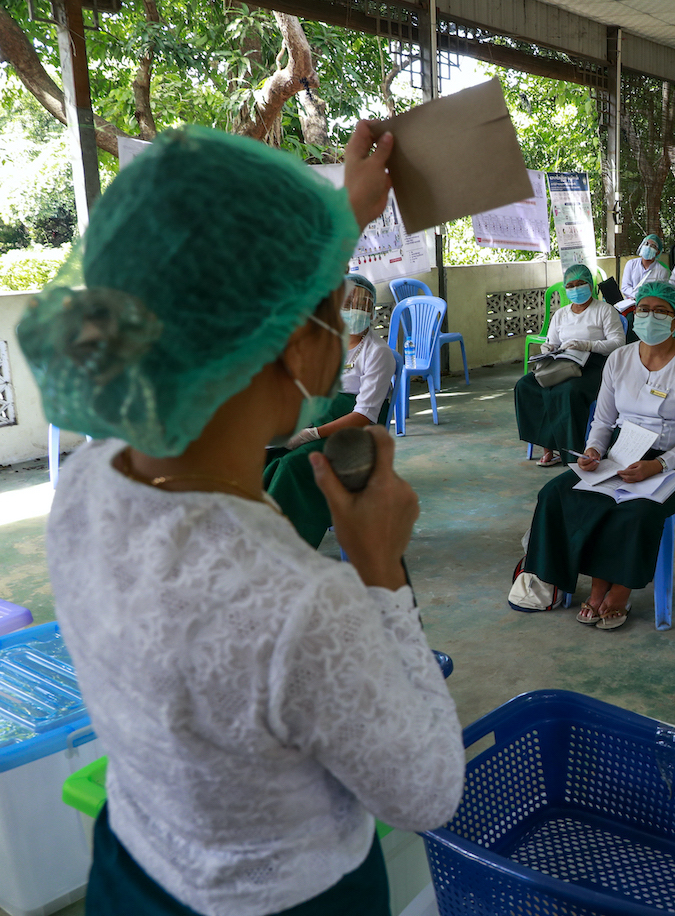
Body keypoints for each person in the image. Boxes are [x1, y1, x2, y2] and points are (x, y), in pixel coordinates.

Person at [16, 124, 462, 914]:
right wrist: (382, 570)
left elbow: (208, 289)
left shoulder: (89, 479)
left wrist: (344, 212)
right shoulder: (300, 602)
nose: (348, 309)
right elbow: (426, 794)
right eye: (336, 301)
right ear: (298, 345)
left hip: (134, 869)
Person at [517, 281, 675, 631]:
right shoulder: (619, 359)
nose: (649, 316)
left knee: (634, 510)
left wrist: (658, 464)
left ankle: (617, 590)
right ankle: (561, 579)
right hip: (621, 452)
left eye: (660, 311)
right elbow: (604, 420)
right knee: (556, 494)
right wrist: (594, 450)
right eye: (642, 309)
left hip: (674, 462)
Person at [263, 273, 398, 547]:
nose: (355, 311)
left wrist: (310, 434)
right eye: (347, 303)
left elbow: (364, 416)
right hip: (317, 419)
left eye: (363, 304)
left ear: (371, 311)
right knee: (266, 454)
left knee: (294, 465)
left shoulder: (377, 353)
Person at [514, 262, 626, 467]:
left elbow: (618, 343)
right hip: (561, 363)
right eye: (570, 285)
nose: (575, 289)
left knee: (568, 392)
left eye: (580, 284)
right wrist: (548, 350)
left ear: (590, 285)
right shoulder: (561, 314)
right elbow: (552, 341)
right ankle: (548, 447)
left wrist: (587, 345)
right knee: (526, 386)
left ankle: (571, 453)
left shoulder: (604, 310)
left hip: (594, 365)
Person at [620, 233, 668, 300]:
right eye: (646, 244)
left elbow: (660, 293)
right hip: (630, 303)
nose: (648, 247)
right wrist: (637, 295)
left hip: (650, 305)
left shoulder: (662, 271)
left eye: (653, 246)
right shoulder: (631, 264)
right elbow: (625, 287)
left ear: (657, 252)